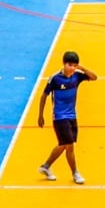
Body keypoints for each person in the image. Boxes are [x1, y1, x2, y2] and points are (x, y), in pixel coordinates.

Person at [36, 51, 98, 184]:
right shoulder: (55, 79)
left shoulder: (77, 76)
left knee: (63, 145)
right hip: (59, 117)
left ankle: (45, 166)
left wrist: (82, 68)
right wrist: (40, 115)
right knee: (69, 146)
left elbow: (94, 77)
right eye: (70, 65)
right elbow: (43, 96)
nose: (72, 68)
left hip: (72, 116)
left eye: (75, 65)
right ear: (64, 64)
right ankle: (75, 173)